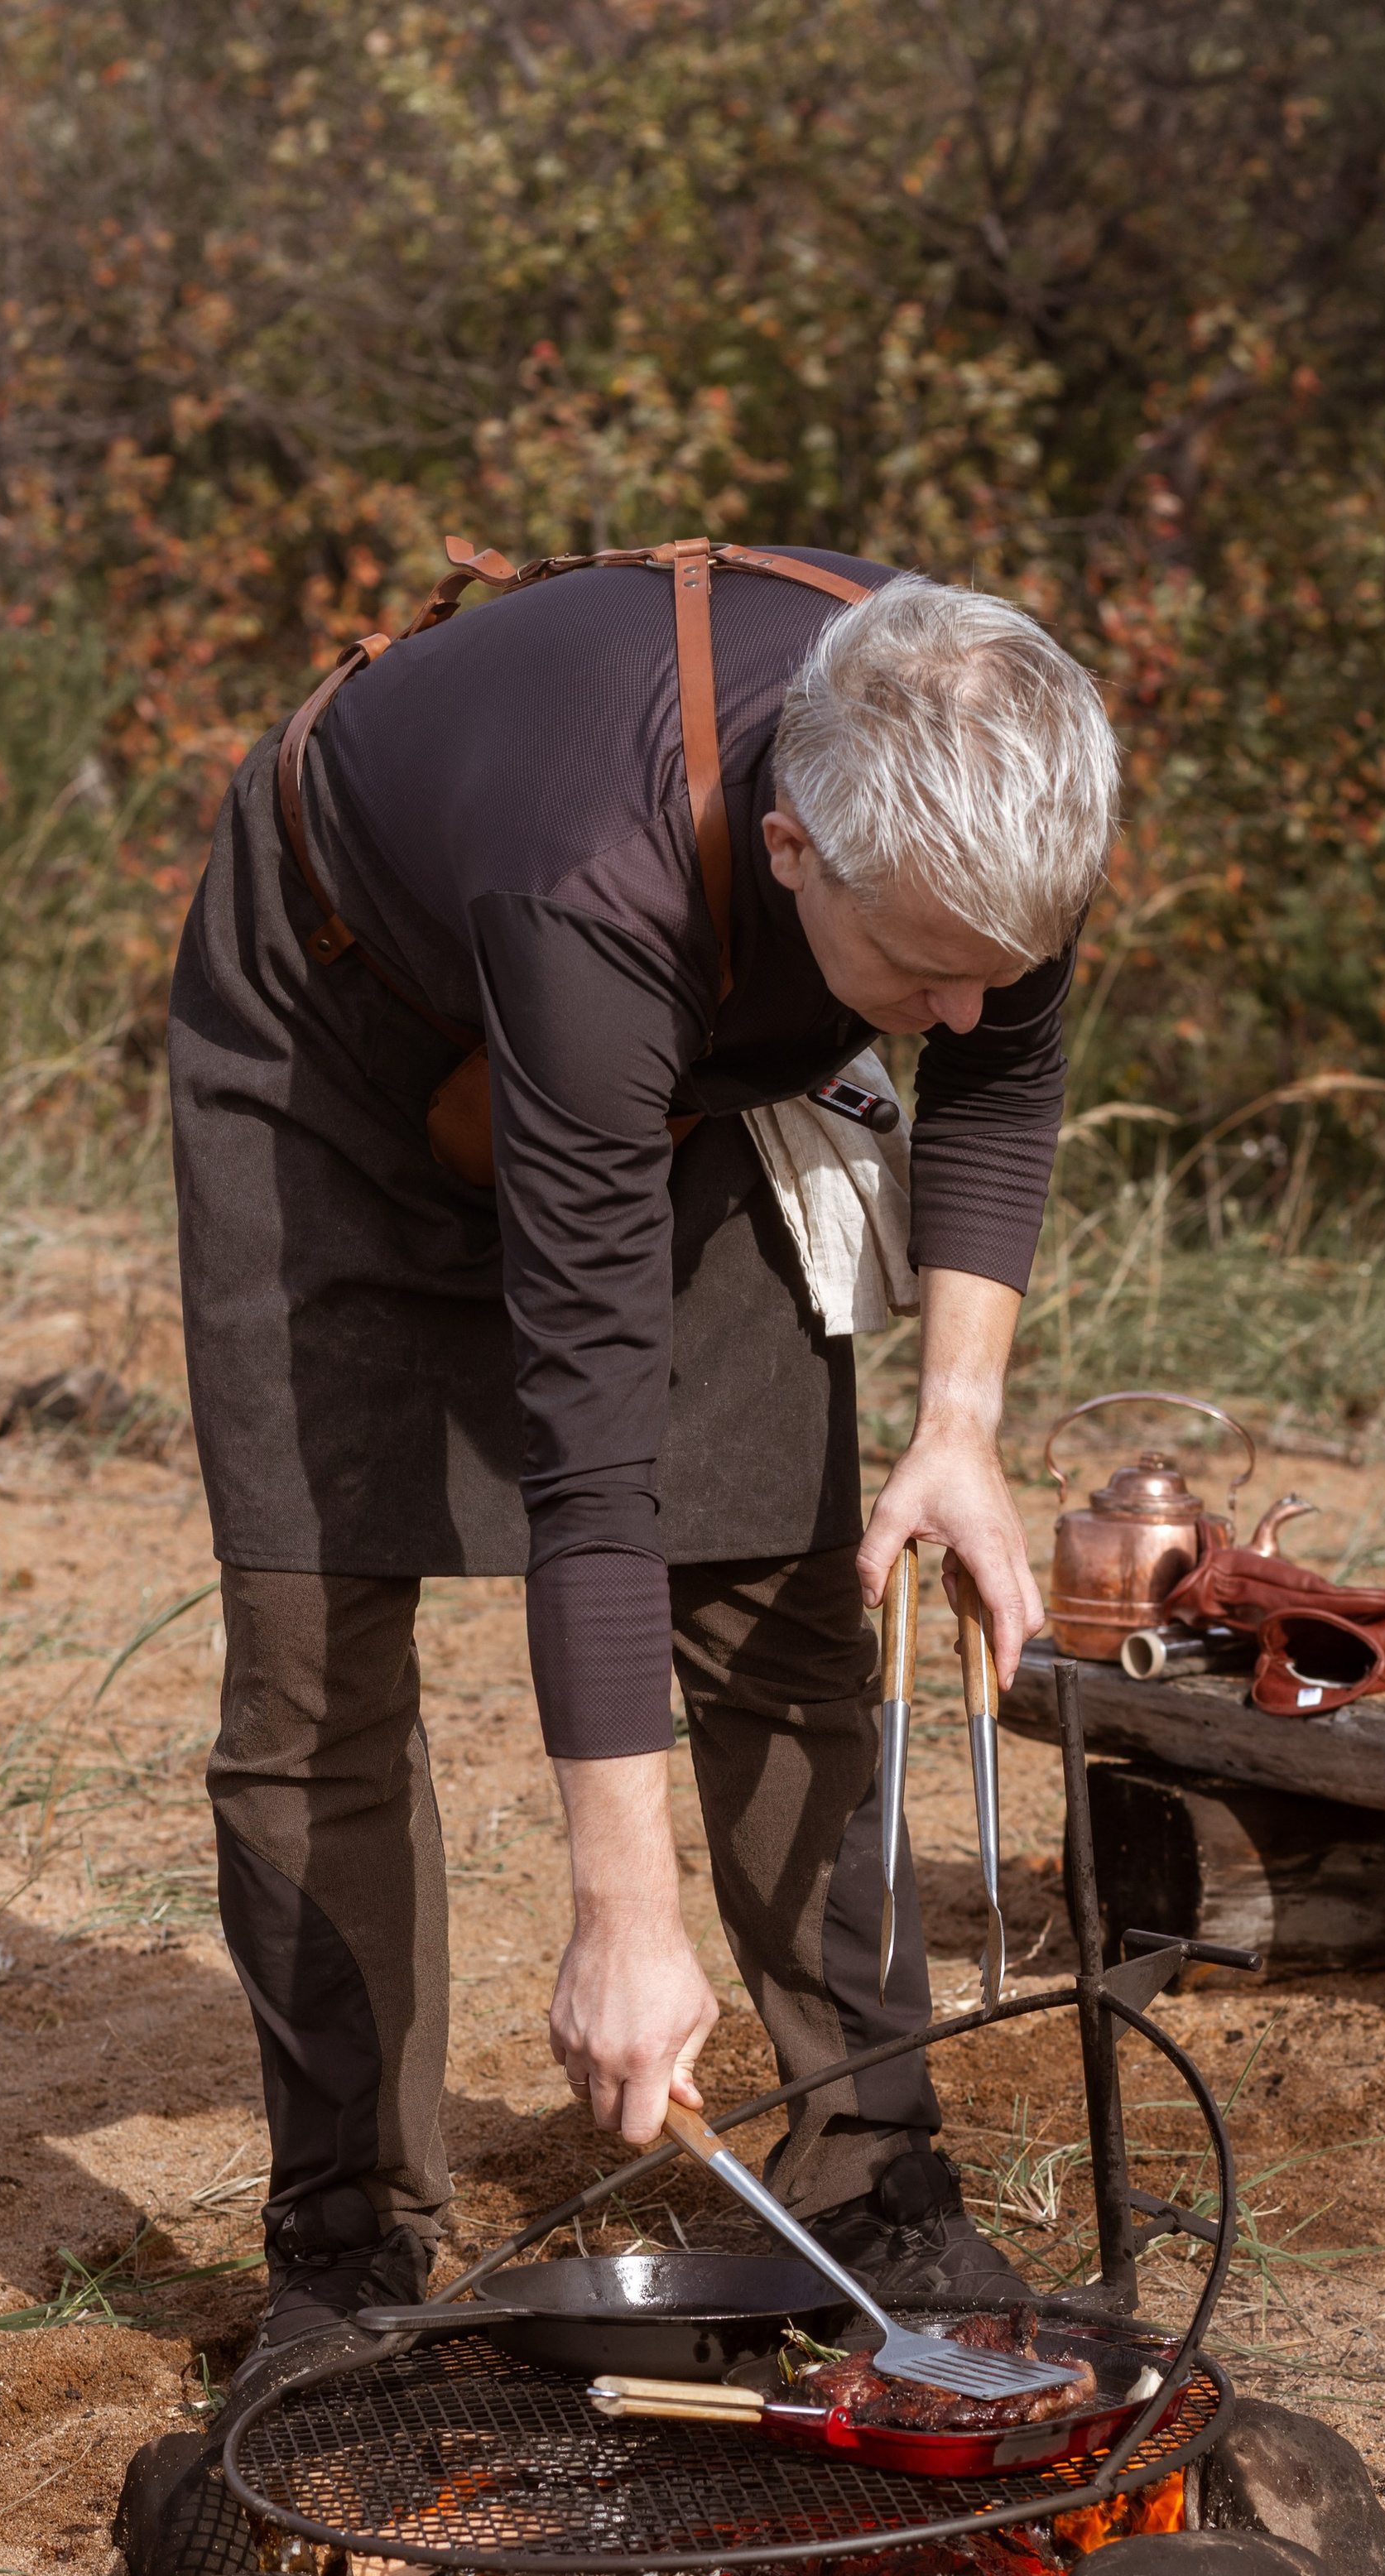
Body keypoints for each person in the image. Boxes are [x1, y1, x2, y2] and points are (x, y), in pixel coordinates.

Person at [166, 542, 1116, 2405]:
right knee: (312, 1650)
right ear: (789, 852)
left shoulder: (991, 786)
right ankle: (346, 2246)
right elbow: (584, 1456)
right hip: (343, 1033)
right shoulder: (595, 877)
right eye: (917, 973)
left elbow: (994, 1082)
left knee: (782, 1585)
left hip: (679, 1056)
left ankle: (873, 2174)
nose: (945, 1017)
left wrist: (958, 1430)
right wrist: (622, 1917)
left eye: (987, 970)